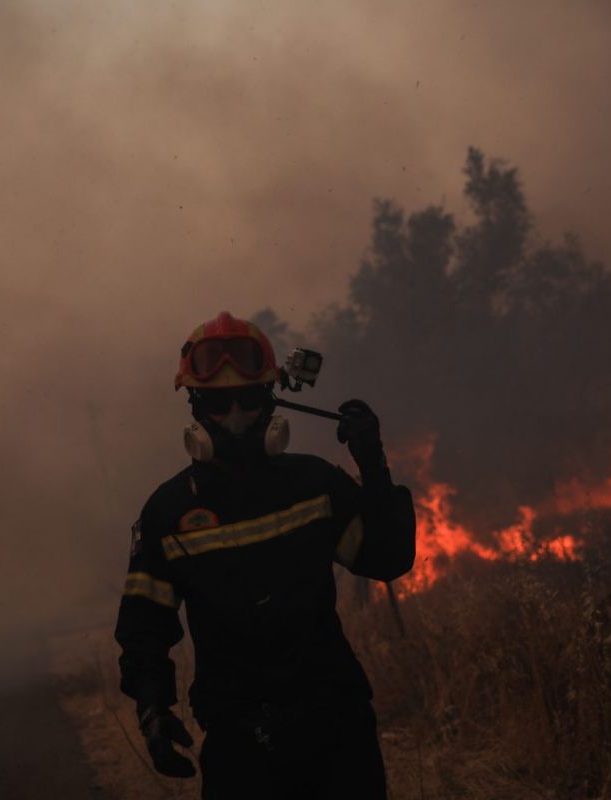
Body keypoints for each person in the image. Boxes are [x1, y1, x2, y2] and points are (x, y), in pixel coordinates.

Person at [114, 311, 416, 799]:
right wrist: (152, 710)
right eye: (218, 402)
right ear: (195, 407)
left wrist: (374, 467)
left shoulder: (316, 485)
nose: (235, 416)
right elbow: (144, 626)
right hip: (240, 743)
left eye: (249, 398)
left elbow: (387, 560)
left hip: (337, 727)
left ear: (271, 398)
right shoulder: (168, 514)